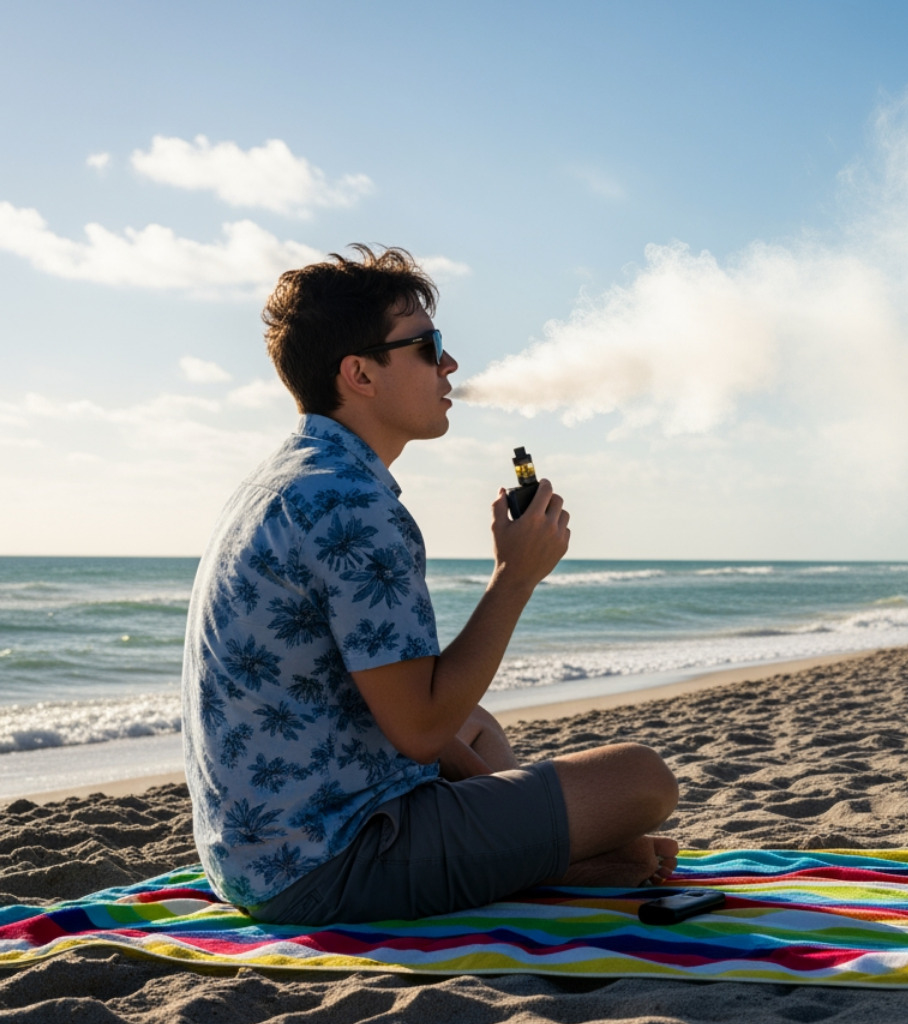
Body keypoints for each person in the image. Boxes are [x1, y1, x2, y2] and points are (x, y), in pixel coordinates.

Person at [180, 246, 679, 926]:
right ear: (360, 373)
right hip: (330, 864)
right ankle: (552, 861)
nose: (450, 365)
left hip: (255, 858)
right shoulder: (355, 506)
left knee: (477, 725)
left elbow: (403, 707)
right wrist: (515, 578)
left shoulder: (292, 478)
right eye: (428, 347)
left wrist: (515, 810)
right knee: (643, 779)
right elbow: (418, 730)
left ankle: (538, 855)